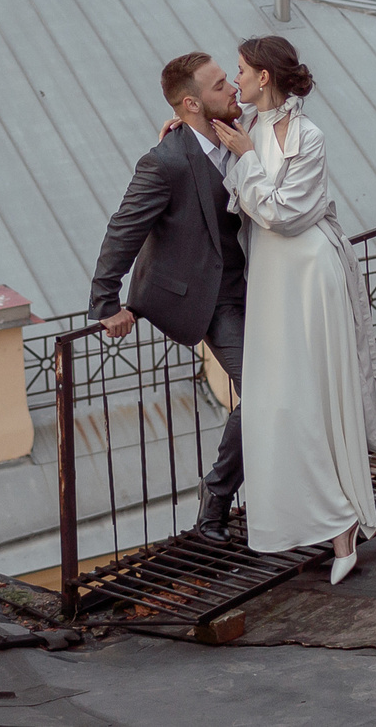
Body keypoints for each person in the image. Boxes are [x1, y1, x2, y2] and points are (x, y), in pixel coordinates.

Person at [210, 35, 376, 585]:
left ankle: (342, 529)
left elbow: (283, 214)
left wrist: (244, 162)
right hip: (272, 280)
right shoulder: (249, 131)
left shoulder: (308, 137)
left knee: (314, 397)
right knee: (277, 404)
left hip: (310, 277)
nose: (235, 80)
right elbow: (211, 158)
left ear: (264, 76)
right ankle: (317, 523)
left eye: (240, 71)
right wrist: (175, 129)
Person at [86, 51, 250, 542]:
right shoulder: (166, 161)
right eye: (221, 86)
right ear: (191, 104)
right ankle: (215, 502)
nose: (233, 90)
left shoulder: (239, 136)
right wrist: (106, 303)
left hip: (259, 282)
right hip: (211, 297)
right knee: (260, 391)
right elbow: (124, 230)